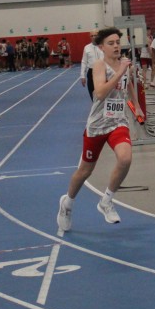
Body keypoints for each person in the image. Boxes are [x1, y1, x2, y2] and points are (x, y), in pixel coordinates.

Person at [57, 28, 133, 233]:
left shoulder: (125, 64)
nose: (116, 46)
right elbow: (99, 93)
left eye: (117, 42)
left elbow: (128, 86)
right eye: (111, 43)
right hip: (98, 125)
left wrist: (136, 106)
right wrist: (120, 72)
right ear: (101, 47)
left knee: (125, 158)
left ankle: (106, 200)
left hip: (118, 122)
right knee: (85, 171)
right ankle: (67, 203)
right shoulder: (99, 65)